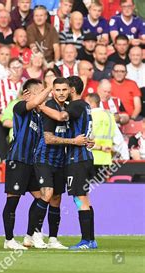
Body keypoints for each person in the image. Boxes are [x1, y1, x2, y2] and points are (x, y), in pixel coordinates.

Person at [27, 77, 84, 249]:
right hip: (44, 158)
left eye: (64, 90)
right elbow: (49, 138)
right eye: (57, 90)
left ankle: (52, 238)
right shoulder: (50, 107)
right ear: (53, 91)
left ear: (69, 91)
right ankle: (36, 234)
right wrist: (74, 142)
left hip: (60, 161)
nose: (61, 93)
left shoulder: (65, 109)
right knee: (47, 193)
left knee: (56, 199)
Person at [2, 79, 54, 250]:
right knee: (12, 201)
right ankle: (9, 239)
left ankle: (30, 235)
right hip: (17, 160)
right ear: (29, 94)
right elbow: (36, 101)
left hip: (31, 163)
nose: (43, 95)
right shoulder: (20, 107)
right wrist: (51, 86)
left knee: (41, 197)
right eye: (39, 91)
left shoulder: (38, 116)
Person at [64, 76, 97, 250]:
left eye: (65, 88)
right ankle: (91, 239)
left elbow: (62, 116)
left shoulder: (75, 106)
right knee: (85, 198)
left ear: (72, 89)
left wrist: (41, 106)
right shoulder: (85, 105)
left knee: (80, 198)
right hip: (86, 156)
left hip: (77, 157)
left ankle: (86, 240)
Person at [0, 58, 24, 161]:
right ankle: (3, 160)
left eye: (19, 67)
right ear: (8, 69)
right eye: (14, 67)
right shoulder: (0, 82)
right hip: (2, 116)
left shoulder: (25, 83)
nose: (16, 70)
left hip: (19, 118)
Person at [86, 92, 115, 177]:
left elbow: (87, 139)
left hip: (91, 156)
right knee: (103, 189)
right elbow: (116, 136)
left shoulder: (89, 116)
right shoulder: (109, 115)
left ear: (92, 103)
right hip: (106, 158)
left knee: (89, 188)